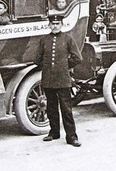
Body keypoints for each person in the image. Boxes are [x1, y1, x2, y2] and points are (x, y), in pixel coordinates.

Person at [32, 14, 83, 146]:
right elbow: (37, 59)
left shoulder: (68, 39)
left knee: (66, 109)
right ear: (49, 25)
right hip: (48, 79)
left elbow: (77, 58)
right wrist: (48, 67)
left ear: (61, 25)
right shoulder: (44, 40)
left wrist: (65, 66)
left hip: (63, 79)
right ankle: (54, 132)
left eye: (57, 24)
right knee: (51, 107)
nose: (55, 26)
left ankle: (72, 137)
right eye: (52, 24)